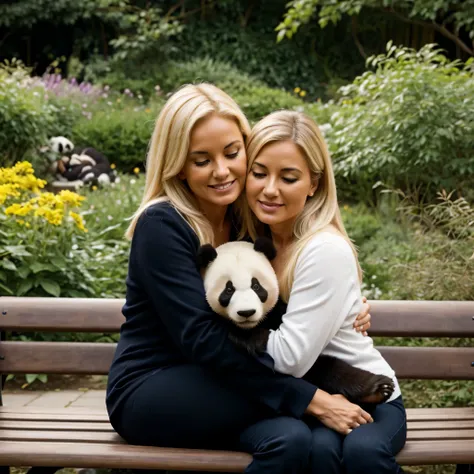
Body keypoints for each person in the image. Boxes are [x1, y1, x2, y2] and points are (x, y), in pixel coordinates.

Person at [106, 84, 373, 474]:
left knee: (291, 440)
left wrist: (347, 306)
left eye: (232, 153)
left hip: (226, 379)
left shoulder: (244, 220)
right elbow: (201, 339)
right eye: (202, 160)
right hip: (153, 386)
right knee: (306, 417)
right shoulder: (161, 226)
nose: (222, 170)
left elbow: (283, 294)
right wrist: (309, 398)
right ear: (178, 164)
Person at [243, 110, 407, 474]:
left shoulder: (322, 250)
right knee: (316, 452)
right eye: (259, 173)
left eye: (288, 177)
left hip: (368, 392)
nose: (270, 189)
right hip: (314, 398)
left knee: (363, 453)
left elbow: (290, 358)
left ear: (314, 183)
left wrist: (215, 336)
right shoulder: (254, 240)